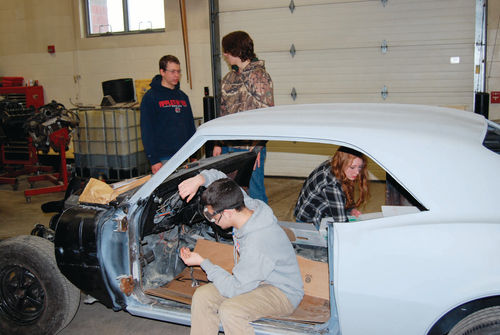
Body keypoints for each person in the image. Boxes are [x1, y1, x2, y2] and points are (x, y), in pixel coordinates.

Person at [178, 169, 303, 335]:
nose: (212, 220)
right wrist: (199, 180)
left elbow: (234, 288)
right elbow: (222, 180)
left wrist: (202, 262)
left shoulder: (257, 242)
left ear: (228, 213)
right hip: (258, 278)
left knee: (231, 310)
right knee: (202, 296)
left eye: (213, 217)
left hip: (282, 292)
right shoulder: (244, 204)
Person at [212, 31, 274, 203]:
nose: (224, 54)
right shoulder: (229, 78)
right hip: (228, 146)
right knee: (227, 194)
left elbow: (267, 114)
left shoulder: (258, 76)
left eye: (227, 50)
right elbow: (223, 112)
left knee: (255, 194)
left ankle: (262, 227)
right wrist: (218, 143)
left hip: (249, 147)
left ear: (236, 51)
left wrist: (256, 148)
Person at [140, 55, 196, 174]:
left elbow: (190, 126)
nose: (176, 75)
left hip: (184, 156)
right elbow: (147, 131)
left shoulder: (183, 97)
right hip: (163, 159)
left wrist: (194, 153)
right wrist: (153, 160)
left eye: (178, 71)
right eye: (172, 71)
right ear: (162, 72)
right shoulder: (150, 97)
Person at [294, 146, 370, 228]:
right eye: (352, 167)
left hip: (315, 209)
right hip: (309, 221)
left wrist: (351, 210)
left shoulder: (334, 164)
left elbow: (344, 192)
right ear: (342, 162)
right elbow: (341, 224)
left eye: (360, 167)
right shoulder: (332, 184)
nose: (357, 172)